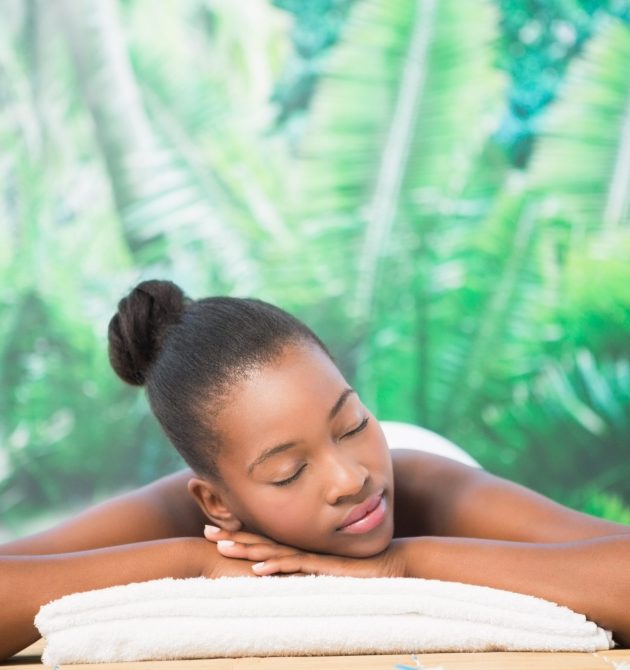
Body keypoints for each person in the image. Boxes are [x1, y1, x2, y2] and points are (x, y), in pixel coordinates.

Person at [2, 279, 630, 660]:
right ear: (217, 503)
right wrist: (192, 565)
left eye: (352, 423)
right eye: (287, 473)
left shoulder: (419, 483)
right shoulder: (187, 514)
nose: (347, 477)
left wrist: (401, 564)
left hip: (418, 463)